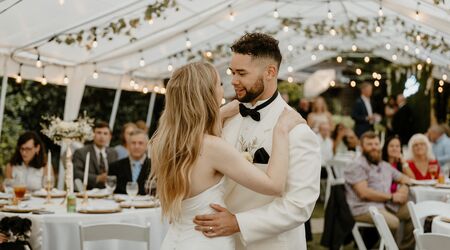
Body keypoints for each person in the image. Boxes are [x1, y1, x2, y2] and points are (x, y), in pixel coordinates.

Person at [150, 61, 304, 250]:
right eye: (219, 84)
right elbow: (274, 185)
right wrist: (280, 131)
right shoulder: (213, 147)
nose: (228, 86)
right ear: (207, 94)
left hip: (174, 241)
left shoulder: (160, 144)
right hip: (207, 241)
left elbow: (192, 131)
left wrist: (220, 113)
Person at [194, 33, 321, 250]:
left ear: (270, 72)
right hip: (221, 242)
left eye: (241, 73)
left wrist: (238, 223)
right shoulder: (227, 117)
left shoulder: (296, 130)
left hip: (272, 244)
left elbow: (299, 205)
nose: (233, 81)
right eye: (232, 72)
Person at [344, 131, 414, 249]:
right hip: (364, 208)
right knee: (393, 222)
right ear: (361, 147)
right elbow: (364, 193)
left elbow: (407, 179)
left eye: (376, 144)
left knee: (413, 212)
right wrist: (392, 197)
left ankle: (404, 248)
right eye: (369, 144)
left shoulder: (383, 165)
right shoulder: (356, 165)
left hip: (384, 205)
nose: (374, 147)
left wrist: (403, 190)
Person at [73, 121, 118, 189]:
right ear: (92, 135)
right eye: (99, 133)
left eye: (105, 134)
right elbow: (76, 173)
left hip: (109, 191)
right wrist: (97, 178)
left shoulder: (113, 153)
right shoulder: (81, 152)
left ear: (110, 137)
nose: (102, 136)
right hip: (88, 191)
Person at [109, 129, 150, 195]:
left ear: (146, 146)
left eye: (140, 143)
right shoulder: (114, 167)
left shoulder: (155, 167)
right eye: (133, 143)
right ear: (127, 145)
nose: (136, 146)